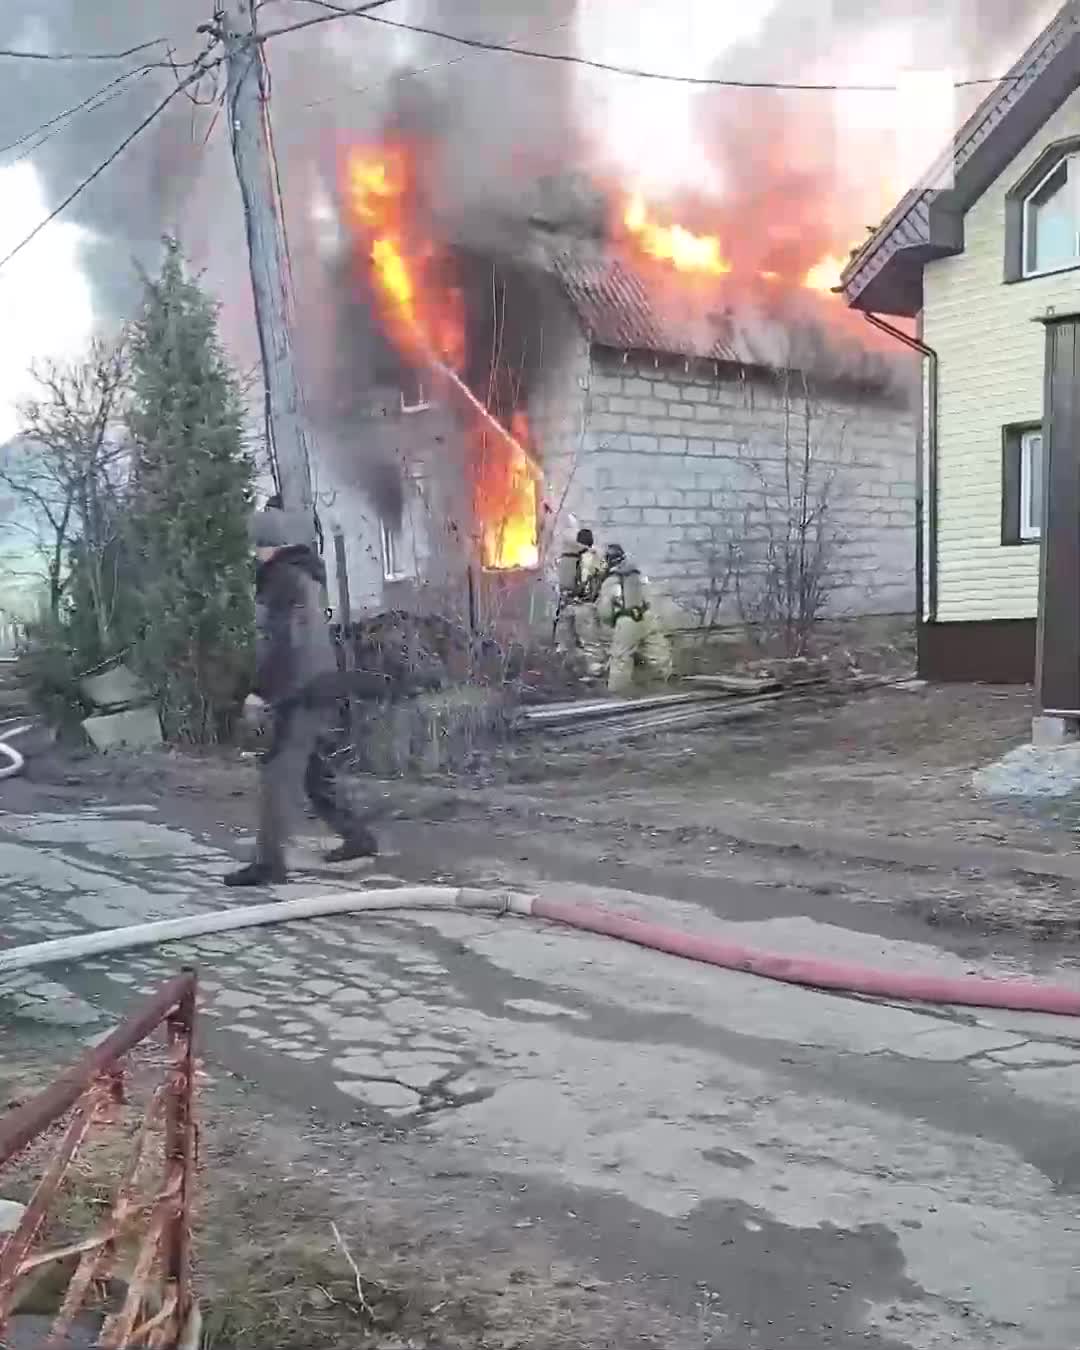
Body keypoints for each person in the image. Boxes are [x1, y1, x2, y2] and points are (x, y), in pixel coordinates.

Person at [224, 504, 378, 887]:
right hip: (319, 682)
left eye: (253, 545)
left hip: (299, 689)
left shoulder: (279, 580)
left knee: (277, 775)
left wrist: (261, 691)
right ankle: (358, 837)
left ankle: (269, 863)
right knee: (314, 773)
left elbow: (280, 643)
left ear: (263, 544)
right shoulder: (304, 575)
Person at [596, 542, 673, 694]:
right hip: (647, 617)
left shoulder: (611, 581)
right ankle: (663, 683)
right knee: (657, 652)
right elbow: (650, 597)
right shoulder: (638, 575)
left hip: (627, 621)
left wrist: (612, 623)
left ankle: (618, 692)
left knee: (621, 657)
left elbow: (605, 611)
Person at [553, 527, 605, 678]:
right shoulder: (589, 556)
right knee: (590, 643)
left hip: (565, 605)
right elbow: (602, 572)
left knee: (567, 643)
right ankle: (594, 677)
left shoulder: (565, 556)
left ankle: (568, 675)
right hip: (584, 605)